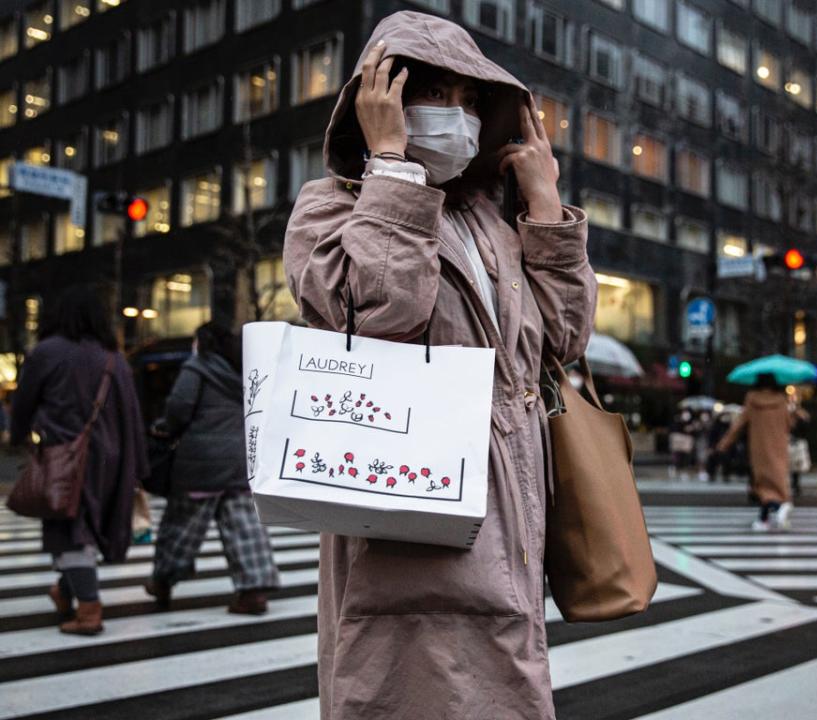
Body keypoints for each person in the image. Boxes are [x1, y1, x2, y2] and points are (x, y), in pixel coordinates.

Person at [283, 12, 597, 719]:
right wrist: (392, 165)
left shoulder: (493, 220)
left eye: (469, 101)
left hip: (514, 525)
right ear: (380, 102)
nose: (457, 119)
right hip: (408, 526)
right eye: (435, 97)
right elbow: (384, 315)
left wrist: (546, 208)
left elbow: (565, 341)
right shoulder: (333, 209)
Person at [9, 285, 148, 635]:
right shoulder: (113, 358)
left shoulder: (47, 352)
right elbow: (132, 413)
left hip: (65, 456)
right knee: (88, 528)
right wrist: (139, 464)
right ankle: (65, 591)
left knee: (70, 532)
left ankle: (89, 611)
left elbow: (23, 404)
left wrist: (18, 437)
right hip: (112, 459)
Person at [146, 322, 279, 614]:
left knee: (181, 526)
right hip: (239, 461)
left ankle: (163, 581)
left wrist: (163, 428)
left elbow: (178, 410)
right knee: (244, 527)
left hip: (199, 464)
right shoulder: (244, 370)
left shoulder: (197, 368)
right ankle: (253, 592)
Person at [716, 373, 794, 531]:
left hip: (759, 446)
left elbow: (739, 424)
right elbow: (789, 424)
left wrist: (724, 443)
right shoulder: (781, 400)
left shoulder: (752, 399)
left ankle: (774, 510)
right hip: (779, 446)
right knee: (777, 480)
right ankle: (772, 512)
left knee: (761, 483)